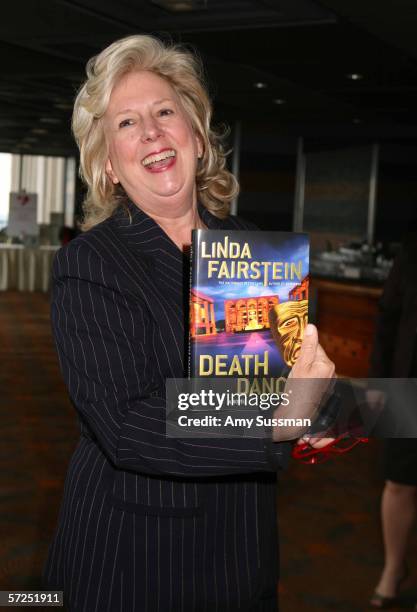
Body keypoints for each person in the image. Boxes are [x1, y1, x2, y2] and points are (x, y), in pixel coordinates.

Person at [42, 35, 334, 611]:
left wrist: (319, 409)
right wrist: (277, 421)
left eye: (164, 112)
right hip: (135, 563)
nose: (150, 131)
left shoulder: (252, 248)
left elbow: (268, 387)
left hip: (244, 551)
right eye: (126, 123)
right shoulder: (91, 264)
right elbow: (128, 422)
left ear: (197, 138)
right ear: (108, 165)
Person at [369, 235, 417, 608]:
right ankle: (393, 568)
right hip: (409, 382)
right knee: (398, 482)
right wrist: (379, 382)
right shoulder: (412, 244)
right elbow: (387, 315)